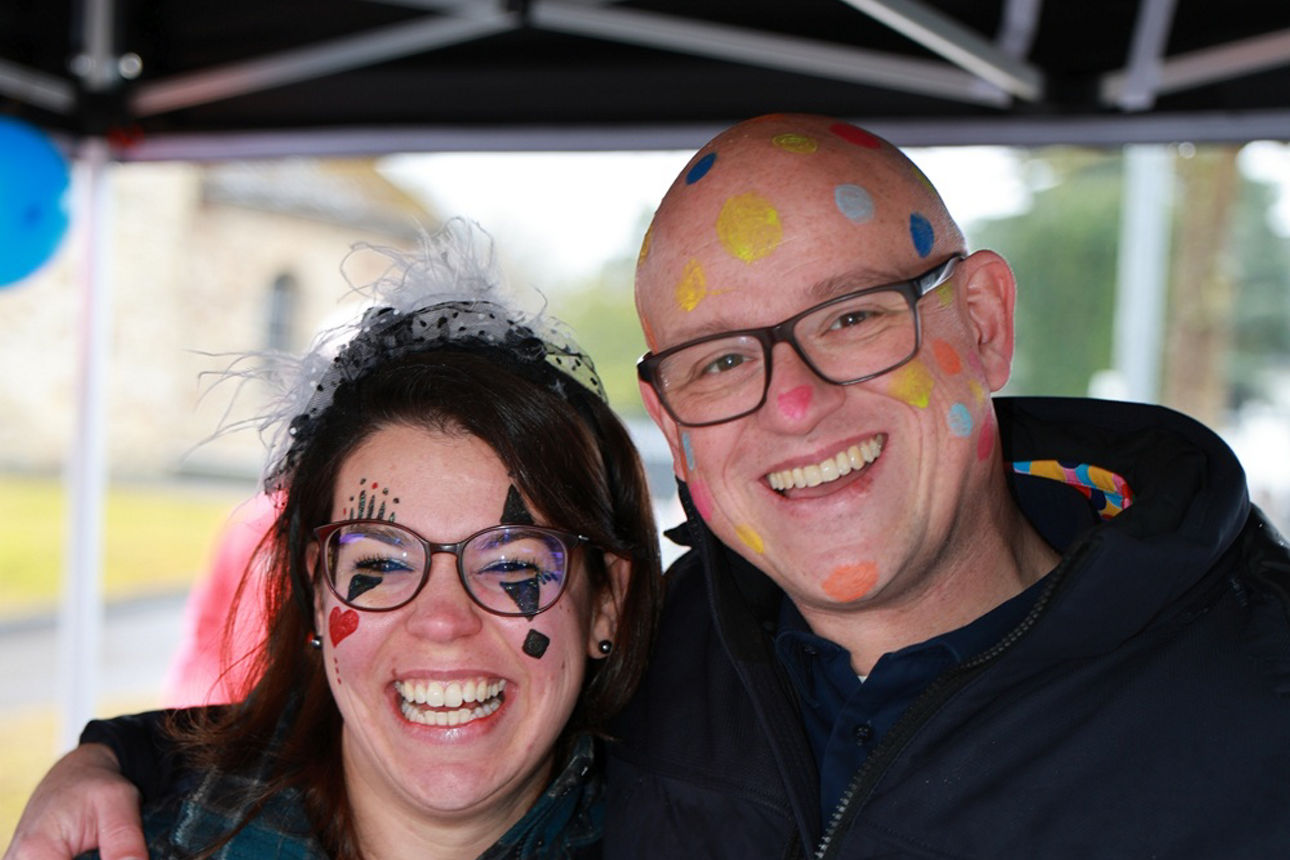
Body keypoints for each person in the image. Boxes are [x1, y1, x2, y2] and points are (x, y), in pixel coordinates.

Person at [10, 114, 1290, 859]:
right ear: (675, 418)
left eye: (850, 319)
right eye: (723, 358)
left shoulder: (1256, 705)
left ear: (986, 321)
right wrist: (108, 760)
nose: (792, 403)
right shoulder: (683, 664)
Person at [11, 218, 662, 860]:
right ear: (317, 594)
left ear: (606, 600)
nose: (441, 621)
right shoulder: (143, 845)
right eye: (380, 561)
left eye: (510, 564)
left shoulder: (712, 833)